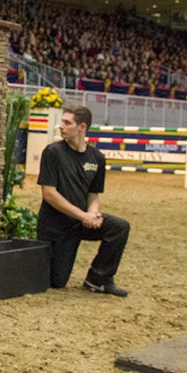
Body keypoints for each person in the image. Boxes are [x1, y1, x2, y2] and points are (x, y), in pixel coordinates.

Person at [36, 106, 131, 297]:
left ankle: (98, 279)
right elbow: (49, 194)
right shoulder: (52, 152)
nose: (60, 126)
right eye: (61, 122)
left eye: (67, 123)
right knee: (57, 282)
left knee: (119, 227)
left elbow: (93, 194)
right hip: (56, 227)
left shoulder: (97, 158)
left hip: (81, 221)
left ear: (82, 127)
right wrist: (83, 216)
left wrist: (93, 213)